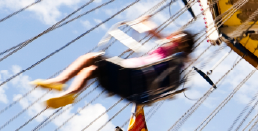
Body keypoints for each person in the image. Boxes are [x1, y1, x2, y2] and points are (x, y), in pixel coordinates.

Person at [32, 17, 194, 109]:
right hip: (134, 89)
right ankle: (68, 95)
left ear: (179, 42)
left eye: (176, 37)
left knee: (91, 57)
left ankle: (59, 81)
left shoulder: (171, 54)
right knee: (91, 70)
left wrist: (148, 23)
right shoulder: (176, 67)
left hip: (130, 73)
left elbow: (150, 28)